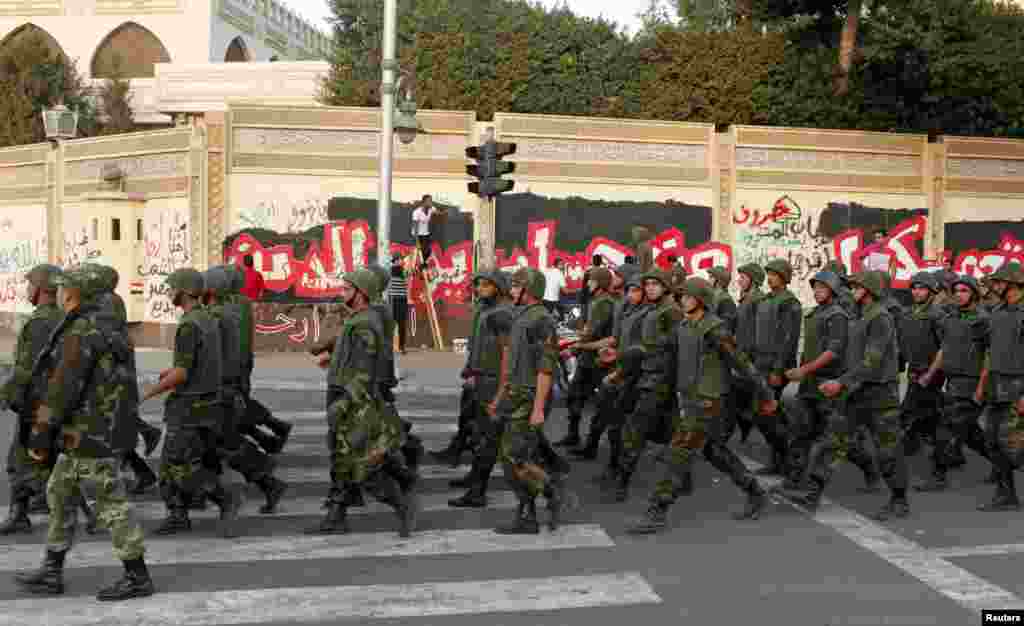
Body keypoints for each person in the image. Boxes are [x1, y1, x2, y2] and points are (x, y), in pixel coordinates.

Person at [14, 266, 155, 601]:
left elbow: (63, 387)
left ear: (75, 292)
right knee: (59, 493)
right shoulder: (111, 328)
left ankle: (138, 577)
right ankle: (52, 570)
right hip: (97, 432)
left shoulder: (83, 331)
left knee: (111, 505)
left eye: (64, 288)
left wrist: (40, 430)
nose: (59, 293)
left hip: (90, 435)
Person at [308, 269, 415, 537]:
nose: (342, 292)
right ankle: (337, 516)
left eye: (347, 289)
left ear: (361, 293)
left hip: (354, 403)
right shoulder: (357, 319)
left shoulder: (366, 324)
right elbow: (351, 360)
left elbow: (365, 372)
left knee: (363, 467)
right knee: (343, 460)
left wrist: (344, 402)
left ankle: (403, 505)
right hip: (346, 395)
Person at [143, 268, 242, 538]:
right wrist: (173, 372)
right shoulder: (208, 319)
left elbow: (183, 372)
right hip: (209, 404)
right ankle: (178, 514)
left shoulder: (189, 325)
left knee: (175, 466)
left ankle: (222, 499)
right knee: (186, 463)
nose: (169, 292)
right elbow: (200, 363)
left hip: (188, 406)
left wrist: (151, 392)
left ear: (183, 291)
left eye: (172, 288)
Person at [0, 264, 66, 535]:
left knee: (19, 459)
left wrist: (5, 394)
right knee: (49, 459)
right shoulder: (64, 318)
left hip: (37, 403)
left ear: (39, 289)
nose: (27, 289)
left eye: (29, 285)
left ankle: (19, 514)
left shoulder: (40, 322)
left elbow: (26, 369)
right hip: (55, 401)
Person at [389, 253, 409, 353]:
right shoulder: (398, 270)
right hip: (397, 300)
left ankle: (400, 346)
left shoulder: (395, 270)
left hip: (396, 300)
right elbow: (406, 279)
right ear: (396, 260)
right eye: (401, 259)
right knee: (401, 324)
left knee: (398, 324)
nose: (403, 261)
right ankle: (401, 347)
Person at [411, 195, 436, 266]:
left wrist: (445, 212)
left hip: (425, 234)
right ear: (424, 202)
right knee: (421, 251)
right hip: (417, 234)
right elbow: (415, 228)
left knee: (428, 251)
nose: (431, 202)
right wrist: (417, 242)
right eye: (429, 201)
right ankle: (420, 266)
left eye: (431, 201)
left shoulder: (431, 209)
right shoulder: (416, 212)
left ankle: (423, 265)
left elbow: (437, 212)